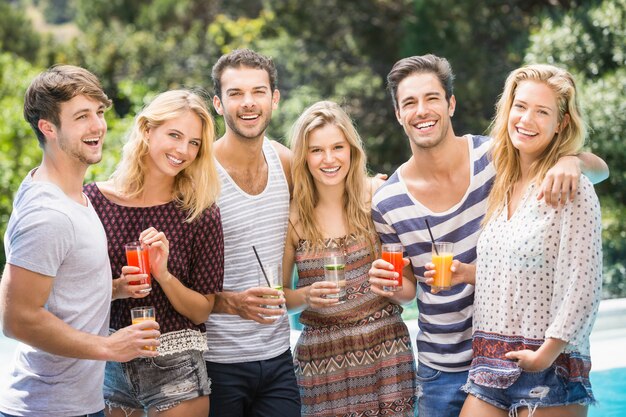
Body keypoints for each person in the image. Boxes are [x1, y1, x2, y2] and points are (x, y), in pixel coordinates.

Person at [367, 54, 608, 417]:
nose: (422, 110)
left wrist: (572, 161)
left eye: (432, 98)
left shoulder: (497, 159)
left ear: (451, 104)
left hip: (533, 356)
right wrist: (392, 282)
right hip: (451, 363)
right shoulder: (391, 200)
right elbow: (409, 288)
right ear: (398, 114)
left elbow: (583, 279)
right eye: (409, 103)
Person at [0, 65, 160, 417]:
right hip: (45, 409)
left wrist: (113, 288)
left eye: (99, 112)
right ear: (48, 128)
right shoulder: (48, 213)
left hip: (80, 405)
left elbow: (58, 289)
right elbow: (16, 319)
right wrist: (108, 347)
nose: (97, 126)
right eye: (82, 116)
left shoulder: (73, 197)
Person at [459, 64, 602, 417]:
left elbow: (583, 285)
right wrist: (467, 273)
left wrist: (545, 355)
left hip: (550, 370)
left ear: (561, 123)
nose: (527, 119)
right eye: (520, 106)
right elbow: (522, 271)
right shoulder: (503, 184)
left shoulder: (572, 187)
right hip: (489, 366)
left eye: (542, 111)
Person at [83, 89, 224, 416]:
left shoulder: (200, 213)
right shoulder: (93, 202)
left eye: (194, 143)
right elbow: (73, 291)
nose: (183, 150)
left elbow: (202, 311)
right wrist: (117, 289)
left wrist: (164, 274)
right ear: (147, 130)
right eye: (174, 135)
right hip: (110, 365)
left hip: (177, 369)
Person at [283, 100, 417, 416]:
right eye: (316, 150)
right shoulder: (293, 220)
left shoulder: (377, 199)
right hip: (322, 361)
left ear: (352, 150)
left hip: (386, 352)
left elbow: (409, 293)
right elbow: (278, 298)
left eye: (337, 147)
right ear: (303, 157)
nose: (329, 159)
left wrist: (393, 287)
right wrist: (304, 296)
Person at [203, 49, 301, 417]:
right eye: (235, 93)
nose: (248, 103)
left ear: (274, 99)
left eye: (258, 91)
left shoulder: (285, 161)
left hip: (277, 357)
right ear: (218, 103)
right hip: (217, 361)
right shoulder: (200, 176)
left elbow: (334, 189)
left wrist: (372, 185)